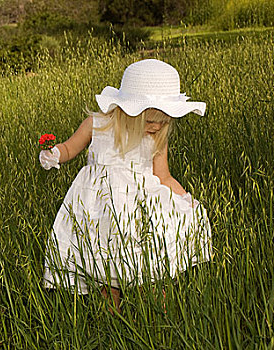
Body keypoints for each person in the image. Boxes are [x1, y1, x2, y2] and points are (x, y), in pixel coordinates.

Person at [39, 59, 212, 312]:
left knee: (148, 267)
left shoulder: (157, 138)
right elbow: (69, 147)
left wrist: (185, 198)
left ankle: (158, 320)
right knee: (107, 272)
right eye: (151, 120)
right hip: (100, 211)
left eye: (164, 121)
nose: (157, 126)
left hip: (140, 208)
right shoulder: (98, 124)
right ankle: (113, 323)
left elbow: (163, 176)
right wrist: (55, 153)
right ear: (128, 109)